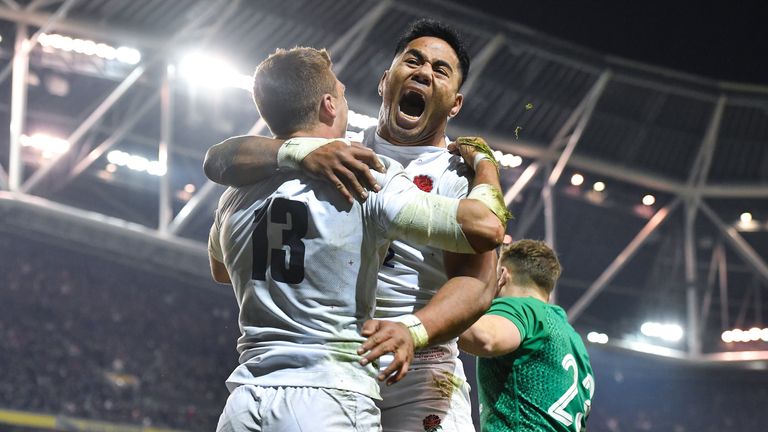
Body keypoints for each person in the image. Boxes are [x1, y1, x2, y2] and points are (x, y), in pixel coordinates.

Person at [204, 19, 505, 431]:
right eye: (413, 61)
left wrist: (413, 330)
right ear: (385, 81)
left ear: (454, 104)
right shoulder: (338, 153)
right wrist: (300, 152)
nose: (423, 72)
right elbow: (221, 158)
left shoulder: (459, 176)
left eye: (440, 70)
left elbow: (480, 283)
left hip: (418, 371)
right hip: (337, 368)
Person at [458, 240, 595, 432]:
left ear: (502, 275)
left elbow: (485, 338)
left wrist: (434, 311)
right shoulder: (575, 342)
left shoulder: (522, 307)